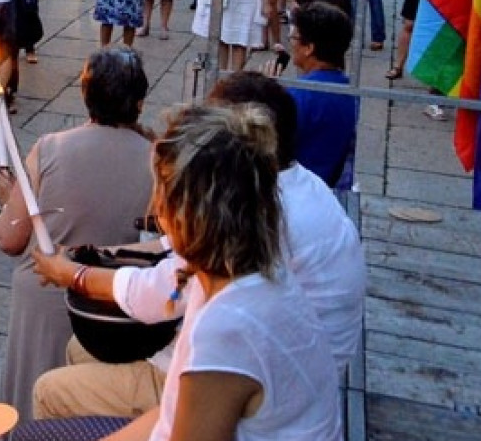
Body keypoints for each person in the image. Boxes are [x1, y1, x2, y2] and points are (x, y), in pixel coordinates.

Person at [27, 74, 362, 429]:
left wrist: (76, 275)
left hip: (265, 387)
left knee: (49, 392)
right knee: (80, 351)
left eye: (162, 195)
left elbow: (160, 293)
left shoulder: (228, 326)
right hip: (284, 379)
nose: (155, 209)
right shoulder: (245, 243)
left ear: (189, 211)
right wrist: (94, 255)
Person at [0, 47, 153, 424]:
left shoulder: (51, 148)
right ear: (140, 104)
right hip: (114, 308)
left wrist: (7, 201)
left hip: (48, 301)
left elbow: (8, 239)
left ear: (85, 96)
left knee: (37, 404)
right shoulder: (158, 159)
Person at [287, 2, 356, 188]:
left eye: (294, 38)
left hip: (298, 188)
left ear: (309, 48)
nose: (291, 44)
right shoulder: (348, 91)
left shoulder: (298, 96)